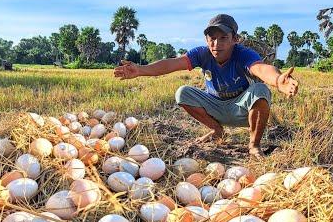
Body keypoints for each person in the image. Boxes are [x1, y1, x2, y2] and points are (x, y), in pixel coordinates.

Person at [113, 13, 299, 158]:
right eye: (212, 38)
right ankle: (217, 130)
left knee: (260, 90)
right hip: (215, 106)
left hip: (240, 109)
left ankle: (254, 145)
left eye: (223, 38)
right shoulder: (201, 54)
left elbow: (260, 69)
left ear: (235, 39)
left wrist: (277, 80)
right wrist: (140, 70)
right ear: (206, 39)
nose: (216, 43)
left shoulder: (243, 54)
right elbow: (171, 64)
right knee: (183, 93)